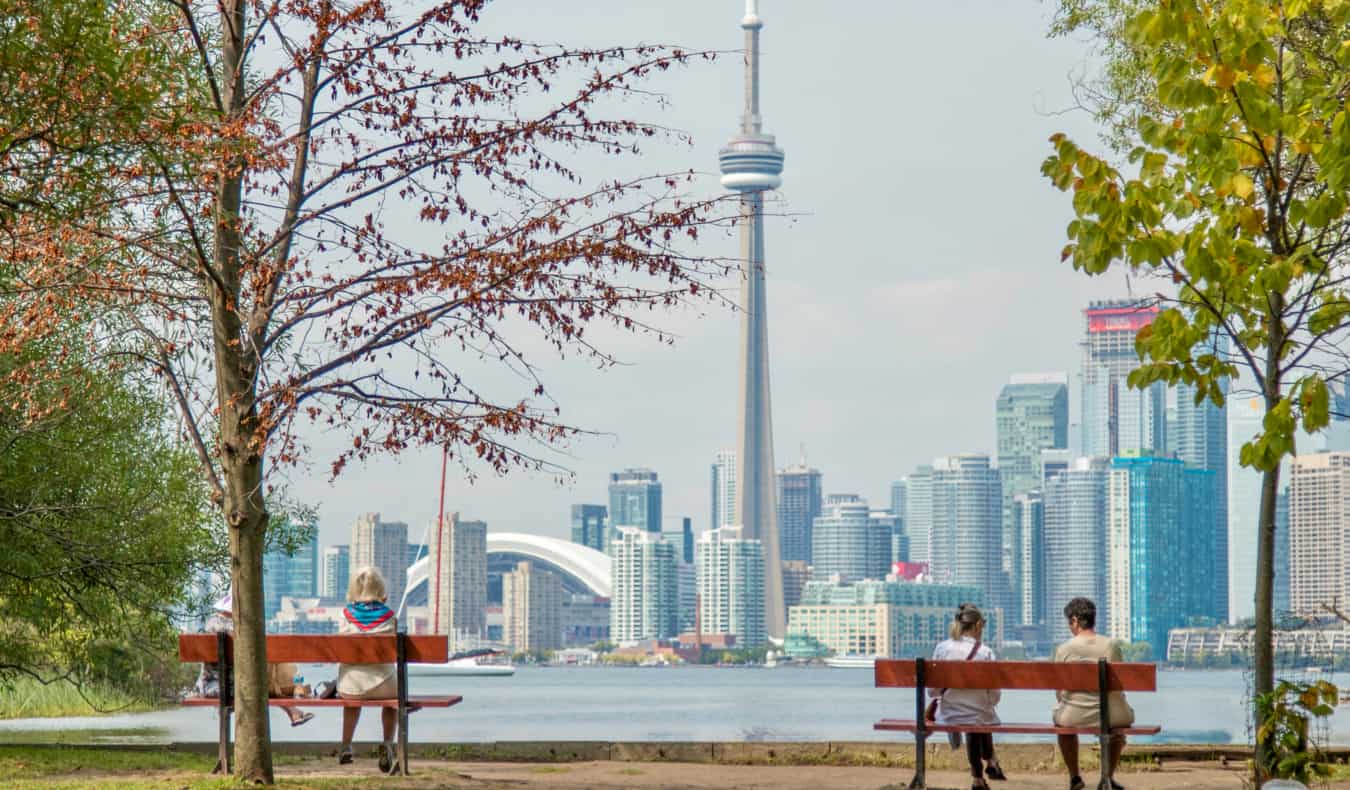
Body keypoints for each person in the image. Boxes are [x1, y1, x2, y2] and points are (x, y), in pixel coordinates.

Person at [192, 593, 314, 727]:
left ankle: (293, 709)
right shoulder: (242, 628)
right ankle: (296, 698)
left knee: (265, 682)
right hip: (237, 687)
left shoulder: (211, 624)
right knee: (266, 682)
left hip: (210, 686)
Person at [1052, 597, 1134, 790]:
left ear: (1075, 620)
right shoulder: (1111, 646)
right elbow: (1119, 685)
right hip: (1112, 714)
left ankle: (1075, 777)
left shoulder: (1064, 649)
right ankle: (1107, 777)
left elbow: (1058, 692)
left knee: (1063, 725)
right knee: (1118, 727)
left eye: (1068, 622)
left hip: (1074, 714)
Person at [930, 603, 1007, 790]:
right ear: (978, 625)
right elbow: (995, 696)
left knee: (976, 717)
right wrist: (986, 703)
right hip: (980, 716)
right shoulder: (986, 652)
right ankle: (987, 765)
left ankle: (982, 773)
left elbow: (933, 692)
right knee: (980, 716)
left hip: (948, 714)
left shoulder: (942, 649)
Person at [337, 566, 400, 774]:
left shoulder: (345, 615)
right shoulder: (390, 617)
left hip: (351, 686)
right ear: (380, 588)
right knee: (392, 704)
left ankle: (346, 745)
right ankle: (388, 743)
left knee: (352, 698)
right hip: (385, 685)